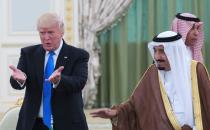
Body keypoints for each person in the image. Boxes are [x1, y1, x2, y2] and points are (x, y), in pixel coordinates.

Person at [90, 31, 210, 130]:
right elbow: (134, 104)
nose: (157, 56)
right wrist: (117, 112)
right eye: (155, 51)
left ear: (174, 52)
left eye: (162, 51)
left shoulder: (196, 70)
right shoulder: (153, 72)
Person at [9, 12, 89, 130]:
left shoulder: (78, 55)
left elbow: (79, 82)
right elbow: (18, 80)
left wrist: (59, 80)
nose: (46, 37)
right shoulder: (28, 54)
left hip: (67, 123)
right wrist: (19, 80)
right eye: (42, 33)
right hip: (34, 124)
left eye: (50, 32)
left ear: (62, 32)